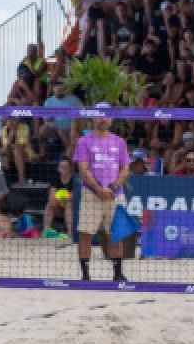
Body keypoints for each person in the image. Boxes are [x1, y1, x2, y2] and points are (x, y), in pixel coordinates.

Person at [73, 108, 130, 282]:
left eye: (106, 116)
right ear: (93, 119)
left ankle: (118, 273)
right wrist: (99, 189)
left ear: (111, 119)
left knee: (115, 235)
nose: (103, 119)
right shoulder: (84, 141)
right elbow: (83, 169)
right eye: (99, 116)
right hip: (92, 193)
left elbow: (125, 168)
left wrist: (112, 188)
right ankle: (85, 274)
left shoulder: (119, 142)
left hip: (115, 193)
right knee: (86, 234)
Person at [42, 155, 76, 241]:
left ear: (70, 169)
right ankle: (46, 230)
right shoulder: (55, 179)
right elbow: (51, 197)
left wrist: (62, 199)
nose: (64, 169)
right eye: (62, 167)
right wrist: (61, 200)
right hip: (59, 207)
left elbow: (72, 197)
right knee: (49, 205)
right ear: (58, 169)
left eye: (66, 167)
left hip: (72, 209)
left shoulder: (74, 179)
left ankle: (70, 233)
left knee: (69, 205)